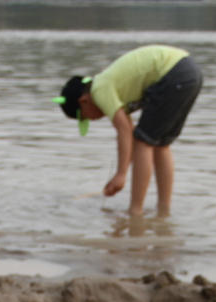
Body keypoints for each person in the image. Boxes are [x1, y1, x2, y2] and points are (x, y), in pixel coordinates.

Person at [55, 45, 202, 217]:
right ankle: (164, 209)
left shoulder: (99, 89)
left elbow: (124, 131)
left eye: (85, 117)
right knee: (161, 144)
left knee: (144, 141)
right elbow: (128, 129)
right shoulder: (109, 85)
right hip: (189, 72)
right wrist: (123, 167)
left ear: (84, 101)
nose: (92, 120)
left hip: (172, 74)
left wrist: (120, 174)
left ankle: (135, 211)